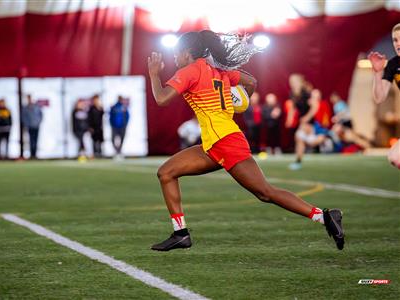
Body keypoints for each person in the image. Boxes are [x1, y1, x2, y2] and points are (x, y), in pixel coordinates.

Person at [147, 30, 344, 252]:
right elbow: (251, 82)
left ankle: (325, 217)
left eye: (176, 55)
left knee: (265, 192)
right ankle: (181, 234)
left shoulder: (190, 70)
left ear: (186, 53)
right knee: (166, 172)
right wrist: (240, 99)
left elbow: (161, 99)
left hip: (225, 142)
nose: (174, 59)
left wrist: (154, 74)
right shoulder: (218, 70)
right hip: (216, 142)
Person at [368, 23, 400, 169]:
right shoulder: (393, 65)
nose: (398, 44)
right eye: (395, 40)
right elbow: (379, 97)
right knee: (395, 158)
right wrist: (377, 73)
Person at [22, 95, 43, 159]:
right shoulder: (25, 108)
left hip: (36, 126)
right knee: (31, 140)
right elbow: (23, 117)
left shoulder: (37, 107)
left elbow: (41, 115)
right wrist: (27, 124)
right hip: (30, 126)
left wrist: (38, 122)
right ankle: (31, 154)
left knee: (36, 140)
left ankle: (35, 154)